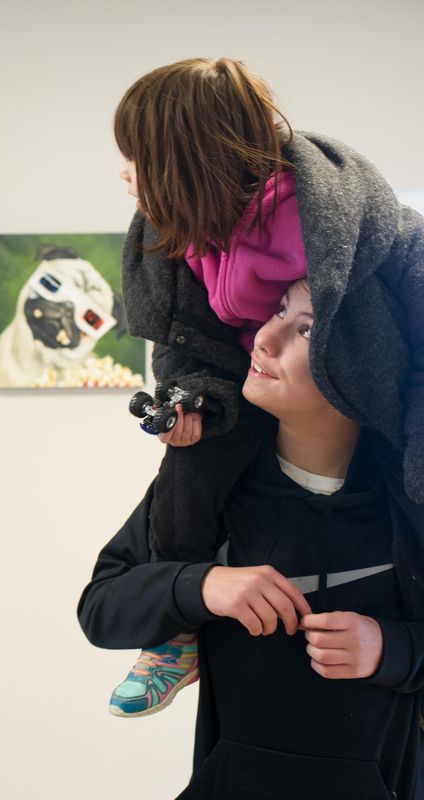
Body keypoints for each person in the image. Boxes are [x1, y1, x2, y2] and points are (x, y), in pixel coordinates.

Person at [106, 57, 424, 717]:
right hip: (261, 385)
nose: (124, 173)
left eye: (136, 157)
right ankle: (174, 634)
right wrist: (191, 400)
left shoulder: (318, 221)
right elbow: (185, 338)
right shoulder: (184, 233)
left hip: (373, 384)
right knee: (188, 466)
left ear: (185, 160)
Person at [79, 280, 424, 799]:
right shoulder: (207, 487)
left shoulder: (408, 502)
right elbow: (101, 607)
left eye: (305, 329)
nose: (264, 338)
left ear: (365, 366)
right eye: (279, 310)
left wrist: (392, 648)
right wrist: (201, 586)